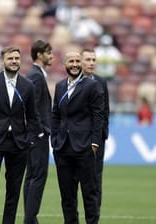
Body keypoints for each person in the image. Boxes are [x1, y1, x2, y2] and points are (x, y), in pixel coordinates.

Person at [0, 46, 42, 224]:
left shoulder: (27, 85)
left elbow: (34, 117)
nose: (14, 61)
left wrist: (30, 140)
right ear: (3, 61)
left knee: (14, 190)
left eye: (17, 58)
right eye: (10, 58)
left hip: (19, 144)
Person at [51, 50, 104, 224]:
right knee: (67, 195)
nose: (74, 64)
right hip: (63, 148)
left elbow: (98, 116)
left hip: (85, 147)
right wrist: (54, 139)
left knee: (89, 194)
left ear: (81, 63)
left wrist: (95, 143)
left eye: (77, 61)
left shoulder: (92, 85)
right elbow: (56, 115)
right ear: (64, 64)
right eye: (70, 61)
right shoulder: (59, 86)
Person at [23, 40, 53, 224]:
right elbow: (31, 105)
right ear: (40, 54)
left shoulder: (37, 74)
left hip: (33, 135)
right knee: (38, 176)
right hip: (37, 136)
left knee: (32, 176)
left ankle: (30, 219)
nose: (52, 56)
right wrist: (40, 131)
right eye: (49, 52)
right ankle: (30, 219)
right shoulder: (36, 75)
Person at [81, 48, 110, 218]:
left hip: (96, 140)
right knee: (72, 181)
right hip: (76, 139)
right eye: (88, 59)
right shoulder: (71, 82)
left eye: (94, 59)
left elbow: (105, 111)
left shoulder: (101, 82)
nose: (92, 63)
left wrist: (102, 135)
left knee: (96, 179)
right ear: (81, 61)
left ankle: (94, 217)